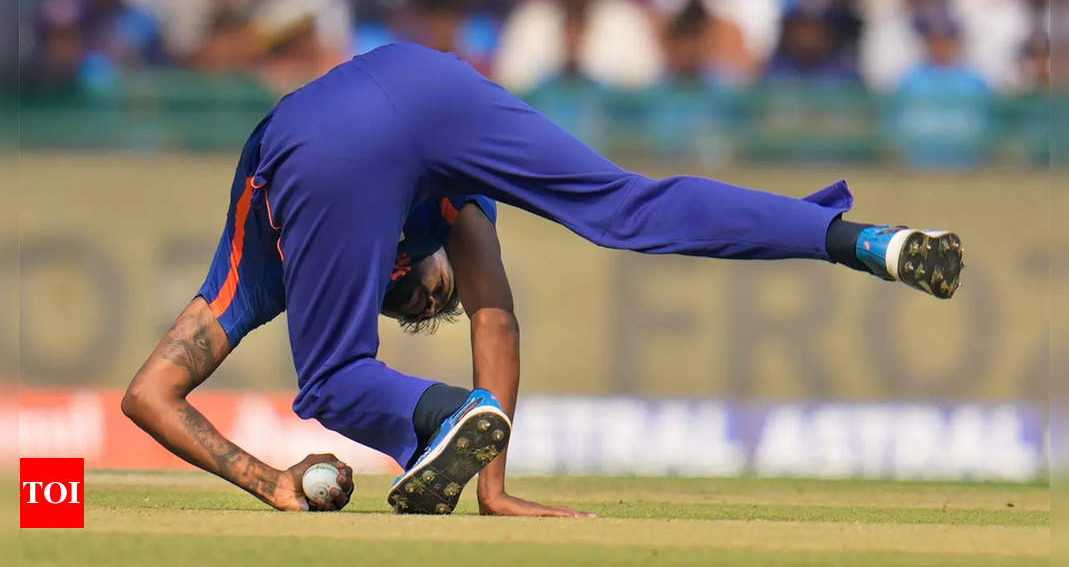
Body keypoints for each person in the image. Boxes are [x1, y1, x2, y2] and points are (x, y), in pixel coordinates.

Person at [121, 42, 964, 517]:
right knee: (631, 206)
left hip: (327, 125)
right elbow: (496, 315)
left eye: (428, 290)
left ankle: (439, 419)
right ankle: (858, 240)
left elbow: (150, 393)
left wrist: (271, 481)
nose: (443, 284)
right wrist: (488, 486)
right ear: (385, 266)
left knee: (337, 379)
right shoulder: (390, 230)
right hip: (426, 76)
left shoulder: (257, 271)